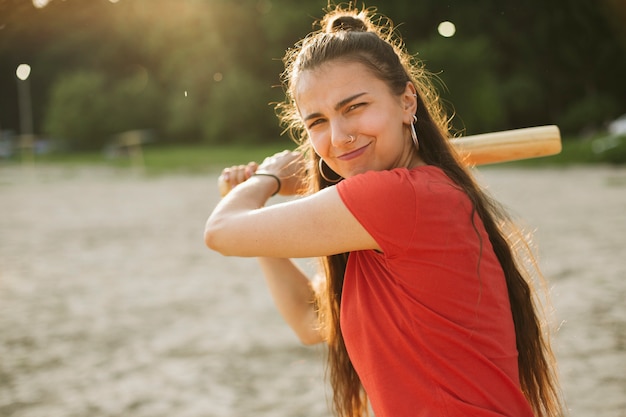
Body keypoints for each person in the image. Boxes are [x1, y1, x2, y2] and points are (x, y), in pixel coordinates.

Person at [205, 5, 564, 417]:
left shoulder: (399, 198)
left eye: (354, 107)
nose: (339, 137)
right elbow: (310, 321)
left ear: (407, 101)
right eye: (317, 122)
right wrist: (259, 210)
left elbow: (220, 231)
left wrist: (263, 181)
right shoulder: (391, 212)